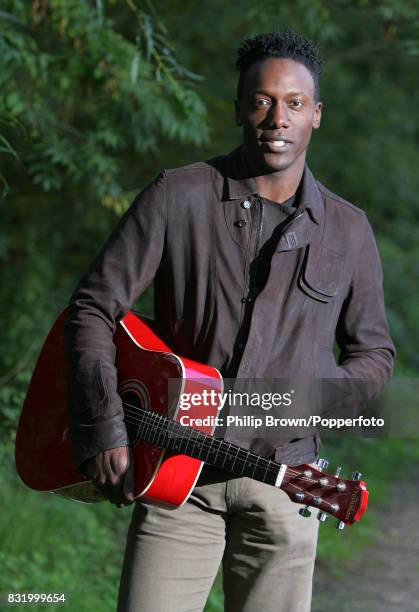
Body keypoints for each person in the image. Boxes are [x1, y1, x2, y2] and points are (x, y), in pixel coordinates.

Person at [64, 30, 395, 612]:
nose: (277, 118)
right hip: (176, 480)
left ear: (316, 115)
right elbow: (93, 306)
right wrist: (104, 426)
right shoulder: (178, 195)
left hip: (290, 489)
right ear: (241, 108)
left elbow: (373, 355)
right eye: (263, 100)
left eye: (294, 103)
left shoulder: (349, 230)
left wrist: (295, 403)